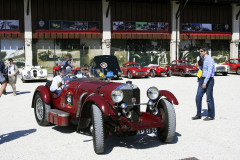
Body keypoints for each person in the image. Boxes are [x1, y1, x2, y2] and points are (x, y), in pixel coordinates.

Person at [192, 48, 215, 121]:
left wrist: (205, 82)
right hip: (202, 79)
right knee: (198, 97)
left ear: (206, 51)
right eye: (200, 51)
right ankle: (198, 114)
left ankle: (211, 115)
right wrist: (198, 66)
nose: (200, 52)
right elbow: (202, 69)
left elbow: (209, 72)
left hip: (209, 80)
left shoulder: (210, 59)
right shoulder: (203, 59)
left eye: (201, 51)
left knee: (209, 98)